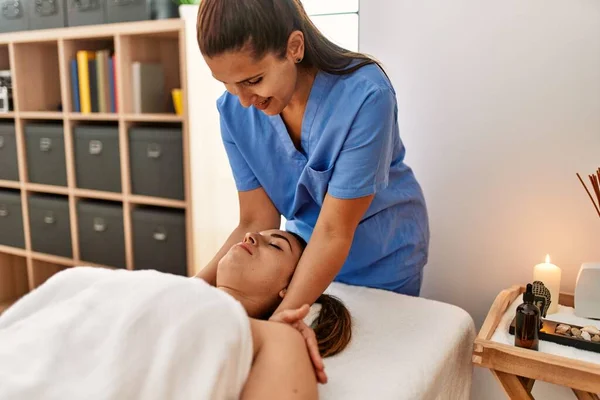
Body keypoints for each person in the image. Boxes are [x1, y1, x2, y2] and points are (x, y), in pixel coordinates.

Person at [195, 0, 430, 333]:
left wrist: (278, 328)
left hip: (380, 261)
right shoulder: (234, 110)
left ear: (294, 47)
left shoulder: (365, 95)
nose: (243, 100)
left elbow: (334, 231)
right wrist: (188, 291)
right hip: (303, 260)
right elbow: (256, 220)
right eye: (226, 84)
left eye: (254, 80)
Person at [0, 229, 350, 399]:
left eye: (276, 245)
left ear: (288, 292)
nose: (251, 236)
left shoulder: (274, 339)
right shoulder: (164, 287)